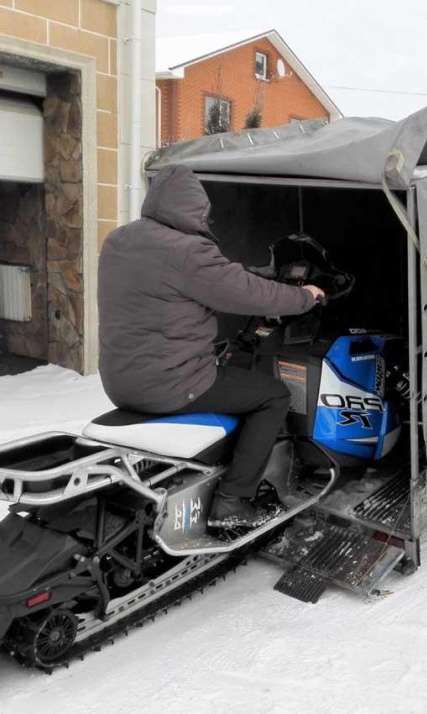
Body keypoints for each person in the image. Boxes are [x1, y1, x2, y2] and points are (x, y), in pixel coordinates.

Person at [97, 165, 324, 527]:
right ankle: (233, 499)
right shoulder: (188, 251)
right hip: (169, 382)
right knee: (273, 396)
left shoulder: (119, 241)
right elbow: (250, 293)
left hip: (119, 381)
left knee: (229, 368)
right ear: (195, 208)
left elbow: (165, 293)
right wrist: (304, 297)